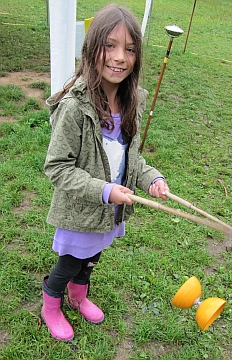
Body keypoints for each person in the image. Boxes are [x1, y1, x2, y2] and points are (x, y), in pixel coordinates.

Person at [41, 4, 170, 342]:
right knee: (70, 263)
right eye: (109, 45)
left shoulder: (129, 104)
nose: (119, 57)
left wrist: (152, 178)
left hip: (108, 212)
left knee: (92, 260)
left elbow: (132, 158)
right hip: (80, 210)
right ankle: (51, 306)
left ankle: (78, 296)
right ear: (92, 47)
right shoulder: (74, 107)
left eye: (129, 49)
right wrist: (104, 190)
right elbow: (57, 167)